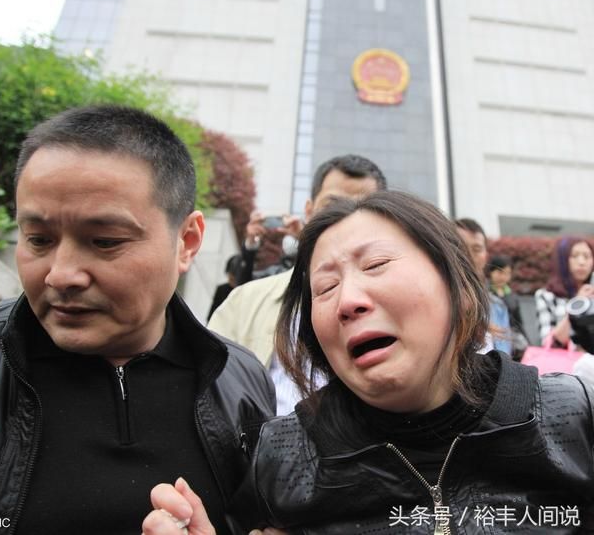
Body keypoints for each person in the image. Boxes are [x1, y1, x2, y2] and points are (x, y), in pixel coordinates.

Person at [144, 191, 594, 534]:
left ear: (456, 281)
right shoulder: (279, 458)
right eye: (325, 288)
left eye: (376, 264)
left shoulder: (572, 415)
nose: (348, 301)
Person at [0, 105, 275, 535]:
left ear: (186, 241)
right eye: (38, 240)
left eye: (104, 241)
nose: (61, 275)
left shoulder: (240, 382)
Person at [209, 154, 387, 415]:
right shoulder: (244, 301)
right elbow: (206, 390)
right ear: (309, 209)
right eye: (332, 205)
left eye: (362, 208)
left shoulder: (395, 305)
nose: (345, 220)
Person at [455, 218, 512, 355]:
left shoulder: (498, 306)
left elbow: (503, 357)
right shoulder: (434, 301)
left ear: (486, 255)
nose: (468, 255)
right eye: (460, 247)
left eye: (477, 249)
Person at [535, 236, 594, 348]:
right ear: (562, 260)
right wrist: (578, 304)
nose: (581, 262)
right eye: (574, 256)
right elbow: (550, 344)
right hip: (566, 359)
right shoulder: (546, 296)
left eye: (587, 256)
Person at [486, 254, 529, 360]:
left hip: (510, 342)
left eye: (507, 273)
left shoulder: (512, 296)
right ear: (491, 272)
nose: (503, 277)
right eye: (500, 272)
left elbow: (519, 323)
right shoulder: (485, 293)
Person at [207, 254, 247, 321]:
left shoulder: (247, 291)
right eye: (230, 274)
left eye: (234, 277)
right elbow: (211, 316)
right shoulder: (221, 290)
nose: (231, 278)